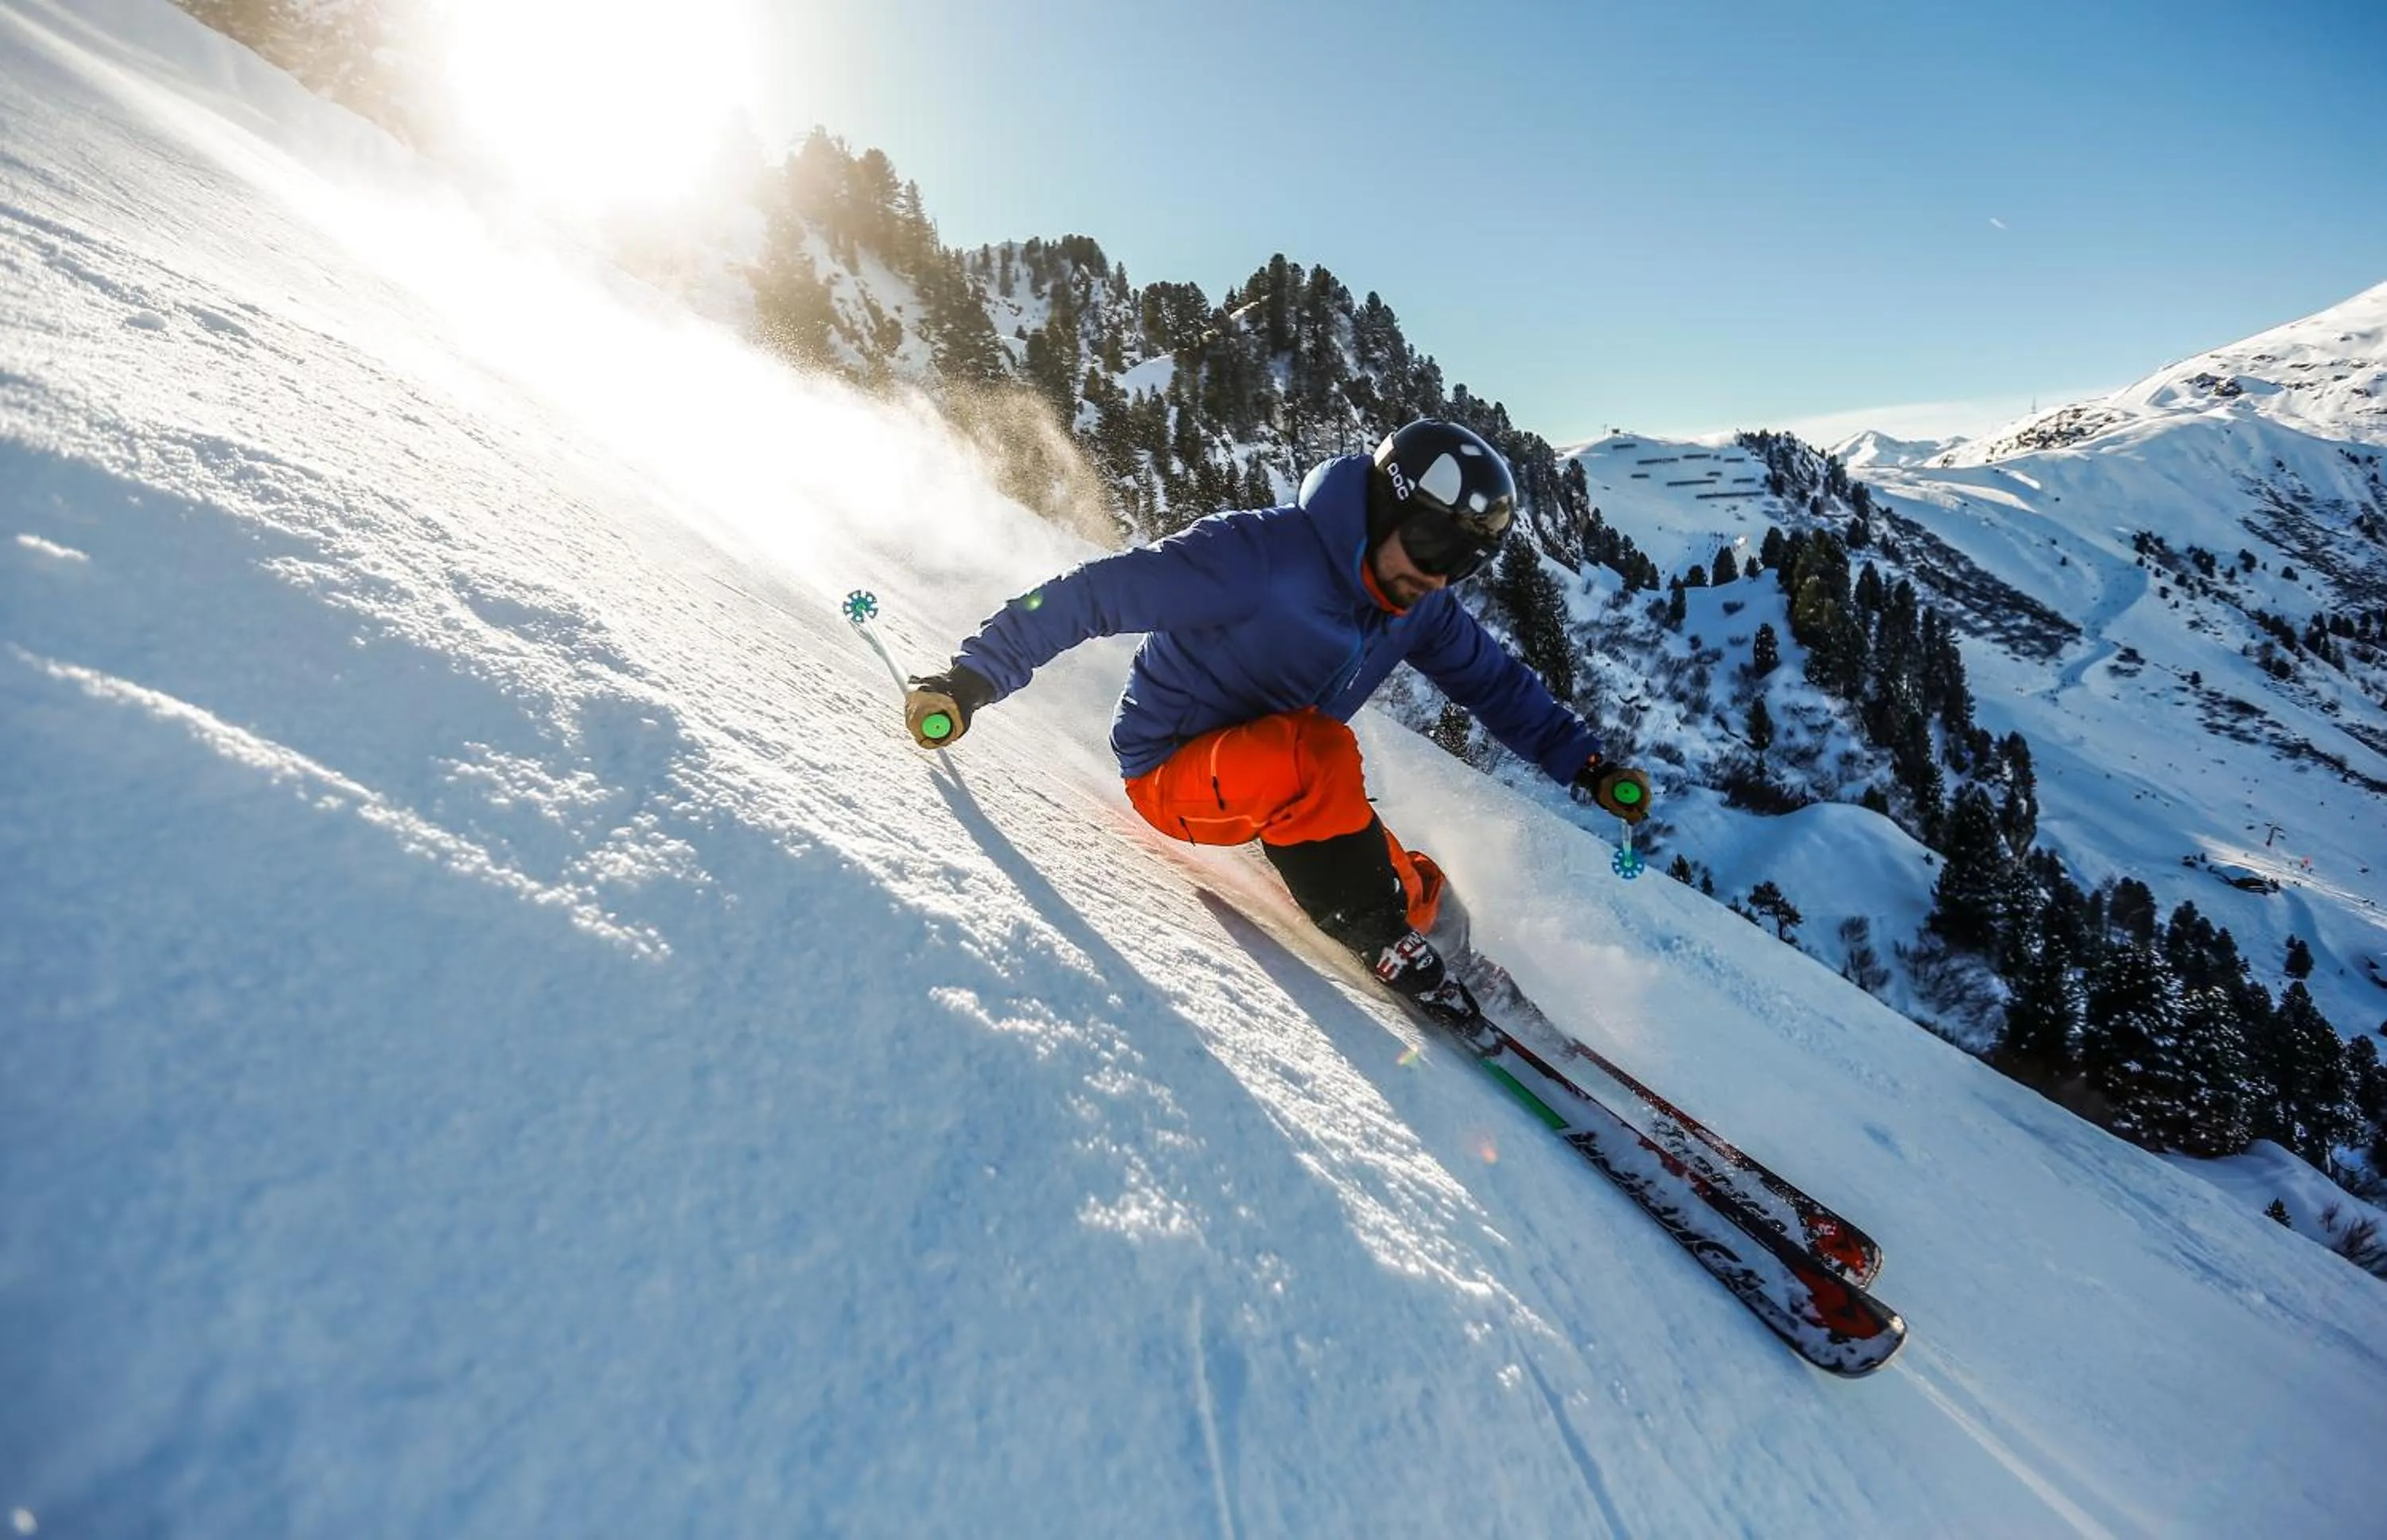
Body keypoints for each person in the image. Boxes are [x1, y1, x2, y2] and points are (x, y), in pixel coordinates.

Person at [904, 419, 1651, 1024]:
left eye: (1463, 563)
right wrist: (970, 681)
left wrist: (1589, 768)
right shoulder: (1257, 558)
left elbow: (1498, 687)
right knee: (1323, 755)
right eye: (1430, 545)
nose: (1435, 574)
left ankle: (1449, 955)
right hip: (1171, 774)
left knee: (1417, 888)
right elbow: (1089, 596)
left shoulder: (1418, 608)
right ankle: (1379, 939)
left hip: (1275, 780)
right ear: (1385, 507)